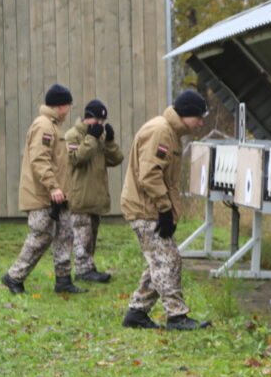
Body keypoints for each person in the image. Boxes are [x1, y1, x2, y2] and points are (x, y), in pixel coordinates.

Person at [120, 89, 211, 331]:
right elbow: (149, 175)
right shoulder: (161, 131)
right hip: (145, 208)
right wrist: (164, 209)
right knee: (168, 260)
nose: (201, 122)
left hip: (151, 207)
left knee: (159, 261)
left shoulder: (171, 132)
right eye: (198, 117)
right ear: (186, 114)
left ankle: (136, 313)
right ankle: (177, 316)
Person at [1, 84, 86, 295]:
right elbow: (40, 160)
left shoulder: (55, 126)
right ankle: (14, 277)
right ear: (61, 106)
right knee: (41, 236)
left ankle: (63, 279)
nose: (69, 109)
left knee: (64, 235)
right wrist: (53, 187)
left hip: (58, 196)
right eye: (68, 104)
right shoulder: (44, 126)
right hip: (43, 195)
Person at [64, 99, 123, 283]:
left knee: (91, 234)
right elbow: (76, 158)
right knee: (81, 234)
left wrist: (110, 142)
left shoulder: (100, 136)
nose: (100, 125)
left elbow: (116, 159)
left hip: (96, 196)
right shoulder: (73, 135)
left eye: (102, 122)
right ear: (87, 118)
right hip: (80, 195)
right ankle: (82, 270)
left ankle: (89, 266)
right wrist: (91, 139)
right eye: (97, 120)